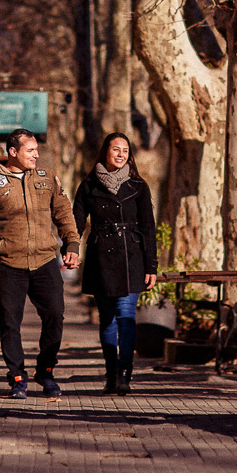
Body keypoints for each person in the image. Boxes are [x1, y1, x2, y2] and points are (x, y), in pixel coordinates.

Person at [0, 128, 80, 399]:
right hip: (9, 263)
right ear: (13, 152)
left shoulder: (46, 177)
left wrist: (72, 244)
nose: (36, 155)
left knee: (55, 316)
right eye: (30, 150)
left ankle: (46, 371)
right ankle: (17, 377)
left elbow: (63, 212)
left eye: (37, 150)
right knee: (10, 323)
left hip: (45, 260)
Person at [72, 132, 156, 395]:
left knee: (126, 317)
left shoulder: (138, 186)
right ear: (105, 152)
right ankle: (111, 374)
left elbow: (149, 228)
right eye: (116, 149)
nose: (121, 154)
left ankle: (124, 375)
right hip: (101, 256)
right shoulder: (88, 186)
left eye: (125, 151)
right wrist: (71, 249)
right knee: (107, 319)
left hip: (132, 257)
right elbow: (75, 222)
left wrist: (151, 266)